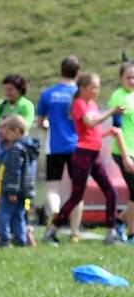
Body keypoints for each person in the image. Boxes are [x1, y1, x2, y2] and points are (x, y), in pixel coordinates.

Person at [42, 73, 132, 245]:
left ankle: (110, 235)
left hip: (94, 154)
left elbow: (94, 131)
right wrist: (112, 111)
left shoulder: (92, 104)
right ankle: (52, 230)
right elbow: (90, 123)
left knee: (110, 191)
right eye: (93, 87)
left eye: (98, 87)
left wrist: (107, 133)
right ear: (82, 88)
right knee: (76, 196)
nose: (96, 91)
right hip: (82, 155)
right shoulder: (79, 104)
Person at [36, 55, 82, 235]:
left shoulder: (48, 94)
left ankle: (55, 214)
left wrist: (49, 126)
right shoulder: (79, 93)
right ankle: (75, 232)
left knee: (52, 188)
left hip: (53, 146)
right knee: (77, 190)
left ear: (61, 70)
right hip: (77, 146)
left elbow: (40, 123)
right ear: (78, 72)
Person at [0, 114, 40, 247]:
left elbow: (15, 171)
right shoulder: (31, 148)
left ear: (17, 131)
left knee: (4, 213)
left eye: (7, 132)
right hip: (26, 190)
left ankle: (5, 238)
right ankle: (20, 239)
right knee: (19, 214)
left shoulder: (16, 149)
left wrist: (12, 190)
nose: (5, 135)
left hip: (12, 189)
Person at [0, 74, 35, 192]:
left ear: (19, 89)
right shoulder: (2, 104)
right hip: (0, 150)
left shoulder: (26, 105)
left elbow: (25, 125)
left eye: (11, 89)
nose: (7, 93)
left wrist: (8, 126)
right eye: (6, 89)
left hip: (15, 150)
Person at [108, 61, 134, 240]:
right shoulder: (118, 97)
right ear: (120, 78)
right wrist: (126, 157)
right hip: (123, 151)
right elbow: (116, 129)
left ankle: (120, 221)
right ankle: (131, 233)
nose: (132, 80)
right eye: (128, 77)